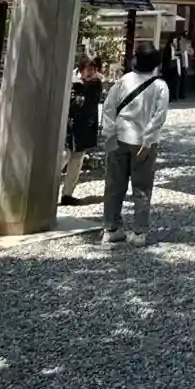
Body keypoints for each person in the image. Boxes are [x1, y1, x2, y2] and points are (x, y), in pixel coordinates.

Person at [99, 42, 170, 246]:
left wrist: (109, 135)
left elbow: (109, 108)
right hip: (142, 142)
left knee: (114, 186)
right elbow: (159, 118)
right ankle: (139, 233)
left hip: (120, 137)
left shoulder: (124, 80)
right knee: (142, 188)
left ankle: (111, 228)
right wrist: (147, 143)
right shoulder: (160, 86)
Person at [59, 58, 106, 203]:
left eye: (93, 69)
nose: (91, 72)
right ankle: (46, 190)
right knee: (63, 157)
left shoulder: (96, 84)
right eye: (88, 69)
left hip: (85, 126)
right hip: (70, 126)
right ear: (81, 69)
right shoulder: (71, 82)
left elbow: (94, 103)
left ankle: (67, 194)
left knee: (77, 161)